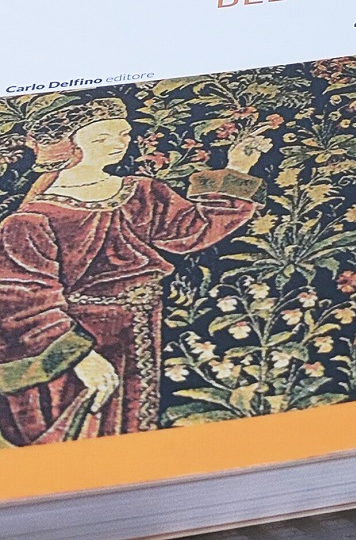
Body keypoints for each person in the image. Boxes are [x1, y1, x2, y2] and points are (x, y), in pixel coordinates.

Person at [0, 94, 269, 444]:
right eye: (102, 138)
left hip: (138, 328)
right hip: (74, 339)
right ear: (67, 144)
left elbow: (193, 230)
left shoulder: (141, 191)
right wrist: (80, 357)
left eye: (123, 134)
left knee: (131, 425)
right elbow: (22, 299)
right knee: (83, 433)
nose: (118, 144)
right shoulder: (31, 219)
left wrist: (238, 167)